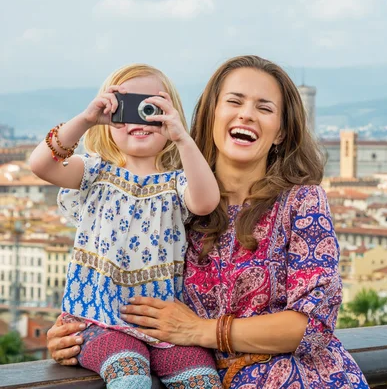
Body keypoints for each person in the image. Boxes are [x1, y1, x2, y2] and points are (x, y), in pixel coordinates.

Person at [47, 55, 369, 388]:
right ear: (210, 114)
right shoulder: (172, 203)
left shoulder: (302, 202)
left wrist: (201, 331)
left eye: (264, 108)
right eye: (234, 101)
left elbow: (312, 327)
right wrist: (81, 333)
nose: (246, 114)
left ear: (281, 133)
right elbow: (118, 280)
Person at [31, 63, 222, 388]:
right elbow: (41, 165)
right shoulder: (93, 172)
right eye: (125, 107)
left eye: (152, 108)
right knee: (129, 374)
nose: (138, 118)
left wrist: (182, 139)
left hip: (161, 324)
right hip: (97, 319)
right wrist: (86, 119)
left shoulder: (176, 184)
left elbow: (205, 202)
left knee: (201, 378)